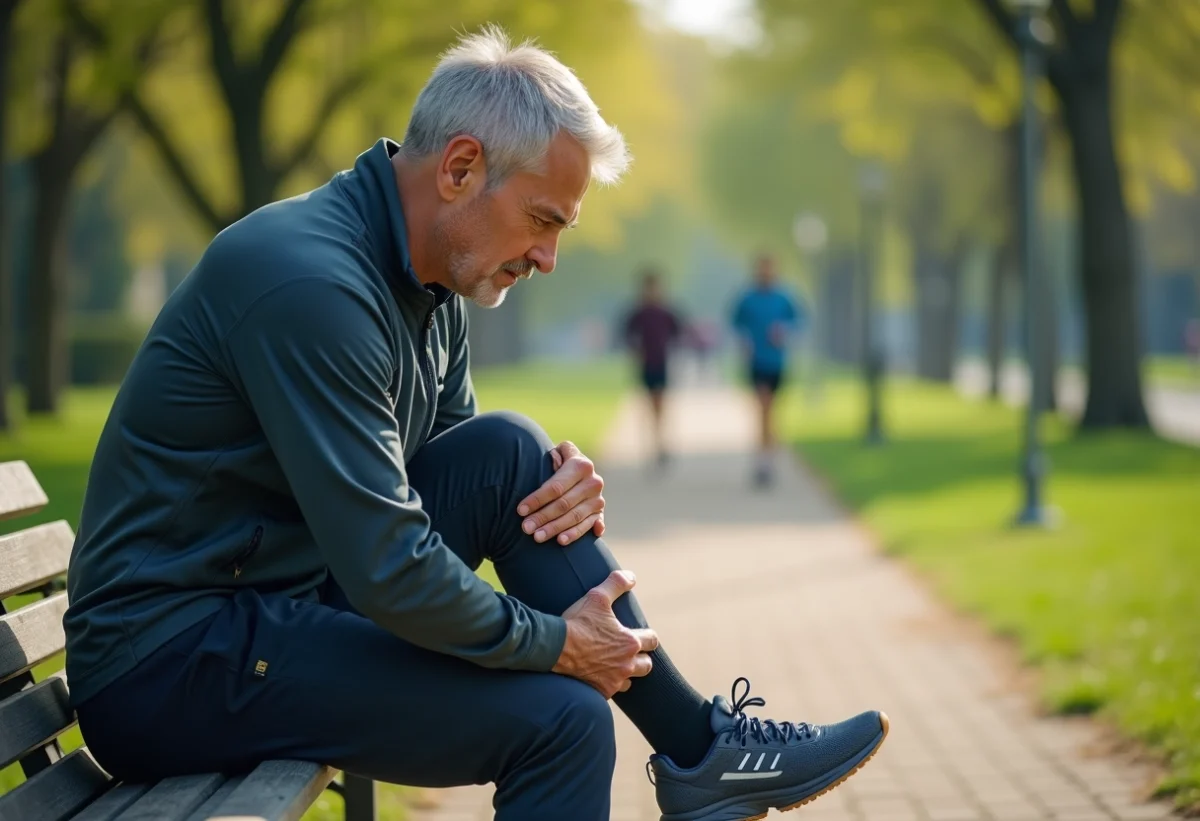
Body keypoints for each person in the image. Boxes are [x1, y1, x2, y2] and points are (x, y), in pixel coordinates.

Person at [63, 27, 885, 821]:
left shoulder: (432, 286)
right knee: (564, 719)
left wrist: (554, 488)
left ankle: (701, 749)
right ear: (460, 168)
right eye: (543, 219)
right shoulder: (310, 286)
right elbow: (391, 564)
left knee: (512, 452)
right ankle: (702, 752)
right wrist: (556, 643)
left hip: (283, 601)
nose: (549, 258)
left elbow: (462, 484)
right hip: (170, 657)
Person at [731, 254, 805, 487]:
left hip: (777, 362)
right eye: (762, 269)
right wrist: (744, 341)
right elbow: (736, 323)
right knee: (764, 407)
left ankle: (767, 456)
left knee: (771, 411)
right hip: (756, 362)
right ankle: (764, 461)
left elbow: (798, 322)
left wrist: (784, 331)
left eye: (769, 269)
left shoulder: (784, 298)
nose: (765, 273)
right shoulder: (747, 299)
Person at [622, 269, 682, 467]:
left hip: (661, 362)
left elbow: (678, 332)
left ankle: (661, 443)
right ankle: (652, 444)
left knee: (660, 404)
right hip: (645, 364)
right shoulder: (638, 313)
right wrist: (635, 351)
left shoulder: (666, 313)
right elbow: (627, 335)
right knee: (647, 405)